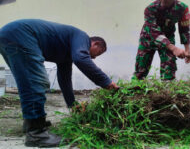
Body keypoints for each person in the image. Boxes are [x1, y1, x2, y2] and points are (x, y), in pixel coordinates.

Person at [0, 19, 119, 147]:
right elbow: (81, 58)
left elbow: (64, 80)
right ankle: (36, 134)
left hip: (11, 35)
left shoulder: (66, 51)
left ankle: (32, 123)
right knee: (36, 81)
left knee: (29, 82)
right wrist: (106, 82)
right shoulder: (82, 37)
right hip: (21, 34)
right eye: (98, 53)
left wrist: (72, 105)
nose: (94, 58)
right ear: (95, 43)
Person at [133, 0, 190, 80]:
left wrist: (187, 50)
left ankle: (168, 90)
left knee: (169, 65)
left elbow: (184, 29)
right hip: (148, 38)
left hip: (168, 36)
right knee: (141, 69)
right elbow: (154, 32)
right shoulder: (150, 9)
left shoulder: (182, 8)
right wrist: (174, 48)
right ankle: (134, 90)